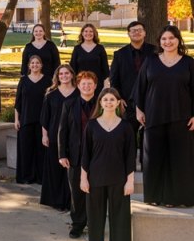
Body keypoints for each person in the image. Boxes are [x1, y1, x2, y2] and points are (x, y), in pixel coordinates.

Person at [135, 25, 194, 207]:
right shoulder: (151, 61)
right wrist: (139, 109)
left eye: (171, 38)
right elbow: (140, 87)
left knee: (180, 159)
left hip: (182, 117)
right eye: (164, 39)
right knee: (153, 158)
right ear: (159, 42)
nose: (167, 42)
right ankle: (154, 196)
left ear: (178, 40)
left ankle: (179, 198)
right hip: (154, 116)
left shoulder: (188, 62)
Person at [81, 88, 135, 241]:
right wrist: (83, 178)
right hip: (95, 180)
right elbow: (85, 155)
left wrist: (130, 181)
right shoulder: (92, 125)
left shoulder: (126, 127)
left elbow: (130, 157)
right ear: (100, 103)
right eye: (105, 99)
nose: (109, 102)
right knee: (95, 220)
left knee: (119, 221)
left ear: (118, 102)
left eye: (112, 99)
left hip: (119, 181)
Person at [58, 71, 98, 238]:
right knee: (76, 192)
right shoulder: (69, 104)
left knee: (96, 192)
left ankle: (95, 224)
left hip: (98, 155)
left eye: (90, 83)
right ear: (78, 85)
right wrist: (62, 154)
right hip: (75, 155)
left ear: (95, 86)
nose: (87, 86)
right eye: (83, 83)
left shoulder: (102, 104)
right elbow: (62, 131)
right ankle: (77, 224)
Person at [109, 21, 155, 164]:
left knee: (149, 135)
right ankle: (130, 166)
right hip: (127, 102)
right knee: (129, 135)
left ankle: (147, 164)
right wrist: (119, 98)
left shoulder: (155, 52)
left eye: (139, 30)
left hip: (151, 101)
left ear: (145, 33)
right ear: (128, 33)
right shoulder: (119, 54)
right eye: (133, 30)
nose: (136, 33)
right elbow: (114, 80)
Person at [39, 64, 76, 211]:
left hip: (73, 138)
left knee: (70, 170)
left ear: (72, 75)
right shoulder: (51, 94)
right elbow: (44, 118)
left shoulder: (79, 93)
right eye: (61, 74)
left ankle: (70, 200)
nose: (64, 76)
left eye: (67, 73)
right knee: (55, 170)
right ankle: (56, 201)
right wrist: (44, 135)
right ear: (57, 76)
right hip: (54, 137)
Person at [14, 55, 51, 184]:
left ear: (41, 65)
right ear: (29, 66)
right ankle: (26, 176)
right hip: (25, 119)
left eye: (37, 63)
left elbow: (50, 103)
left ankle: (40, 177)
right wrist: (16, 120)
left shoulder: (48, 80)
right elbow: (18, 102)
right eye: (32, 63)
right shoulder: (23, 80)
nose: (35, 65)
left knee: (41, 151)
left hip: (42, 121)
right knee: (26, 150)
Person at [69, 24, 109, 95]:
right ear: (82, 33)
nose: (88, 33)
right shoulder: (77, 49)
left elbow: (105, 69)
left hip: (97, 85)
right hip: (81, 85)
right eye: (86, 31)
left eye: (91, 31)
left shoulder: (100, 48)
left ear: (94, 34)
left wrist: (105, 86)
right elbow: (72, 68)